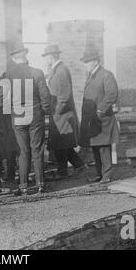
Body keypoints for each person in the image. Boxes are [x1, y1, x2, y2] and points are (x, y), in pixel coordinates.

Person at [6, 45, 51, 195]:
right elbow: (45, 97)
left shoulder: (8, 75)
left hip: (18, 115)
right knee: (37, 149)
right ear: (26, 57)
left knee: (23, 151)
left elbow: (2, 99)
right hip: (35, 114)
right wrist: (43, 111)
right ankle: (40, 184)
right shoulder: (37, 72)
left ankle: (23, 185)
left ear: (13, 59)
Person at [43, 44, 87, 179]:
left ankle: (62, 171)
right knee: (63, 143)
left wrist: (57, 111)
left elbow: (64, 95)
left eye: (46, 57)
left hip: (61, 114)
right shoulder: (57, 69)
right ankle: (79, 165)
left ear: (51, 57)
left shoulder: (61, 70)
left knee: (60, 143)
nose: (46, 60)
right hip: (61, 113)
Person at [79, 48, 119, 184]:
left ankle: (107, 175)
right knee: (95, 146)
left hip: (102, 118)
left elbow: (112, 94)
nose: (85, 64)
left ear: (95, 61)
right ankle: (99, 173)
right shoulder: (91, 75)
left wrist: (100, 111)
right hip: (92, 119)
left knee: (103, 147)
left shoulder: (106, 75)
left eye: (87, 62)